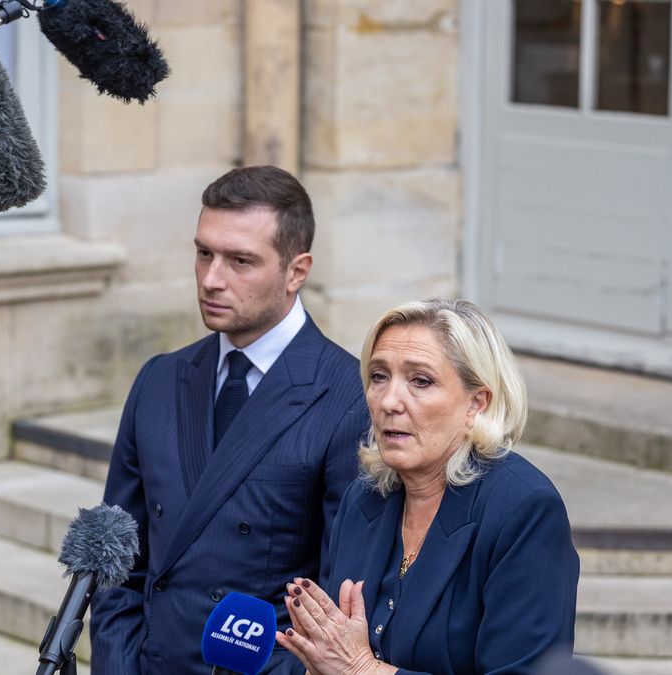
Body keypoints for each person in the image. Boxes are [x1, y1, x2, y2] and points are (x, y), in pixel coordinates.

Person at [89, 165, 369, 674]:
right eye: (203, 254)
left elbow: (337, 602)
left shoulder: (349, 397)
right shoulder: (158, 379)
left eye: (241, 261)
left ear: (296, 270)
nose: (212, 280)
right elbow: (118, 565)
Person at [275, 299, 580, 675]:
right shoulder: (365, 497)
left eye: (420, 381)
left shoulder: (524, 509)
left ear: (477, 404)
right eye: (379, 376)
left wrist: (362, 670)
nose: (388, 401)